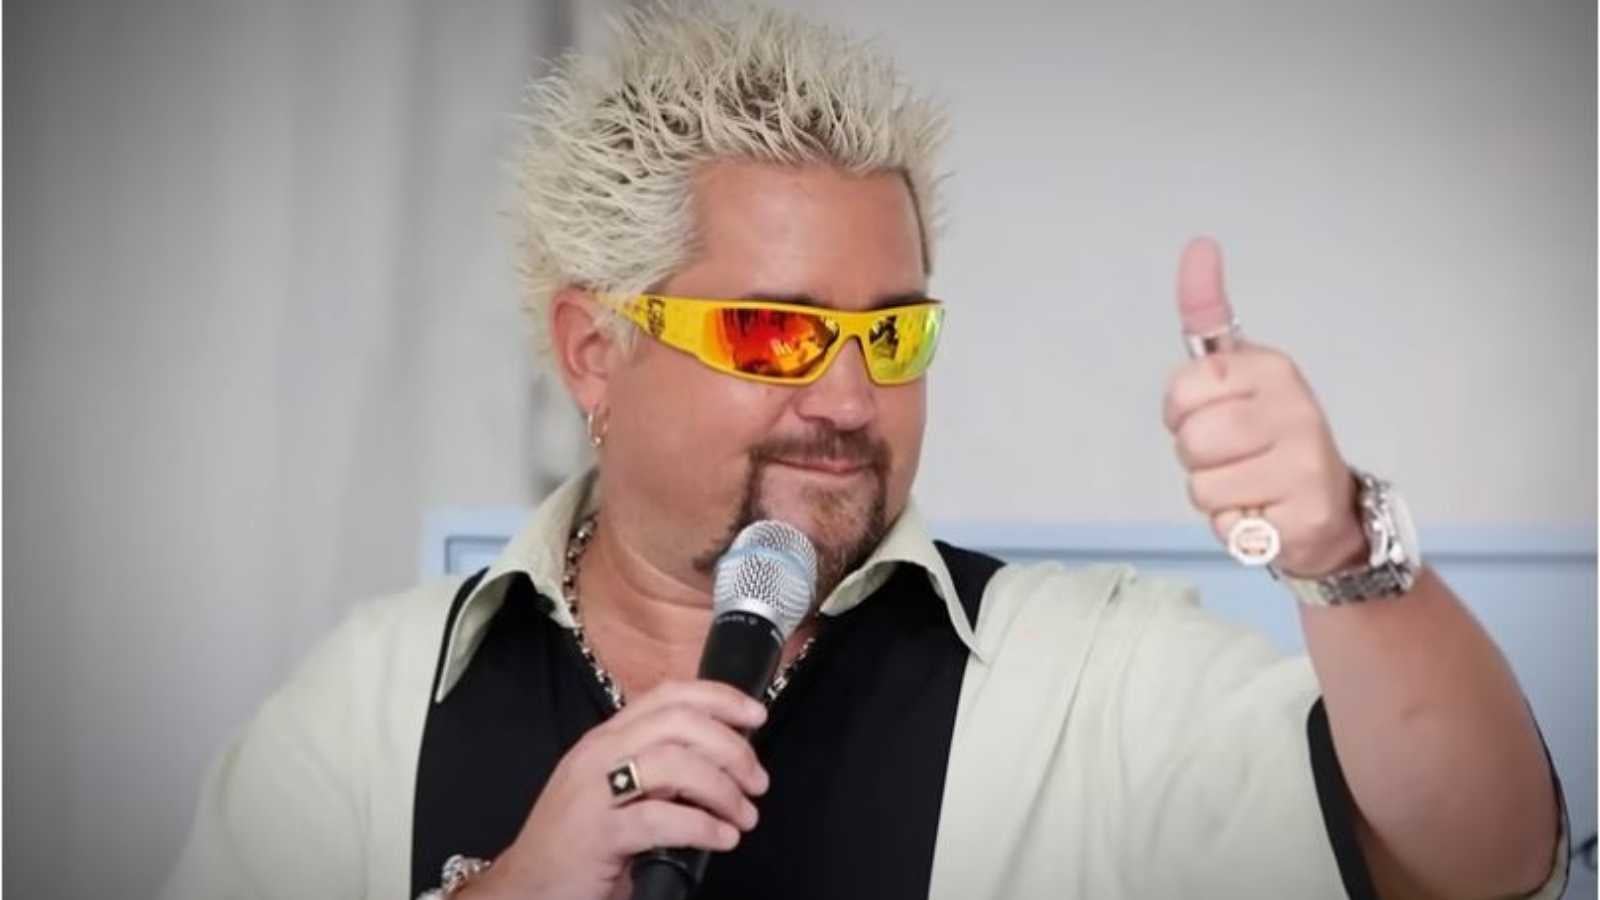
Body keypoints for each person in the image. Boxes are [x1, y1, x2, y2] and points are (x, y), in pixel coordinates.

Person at [163, 3, 1570, 898]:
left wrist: (1341, 554)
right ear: (595, 349)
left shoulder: (1078, 679)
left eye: (892, 334)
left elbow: (1481, 863)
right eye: (777, 333)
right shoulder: (376, 702)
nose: (848, 395)